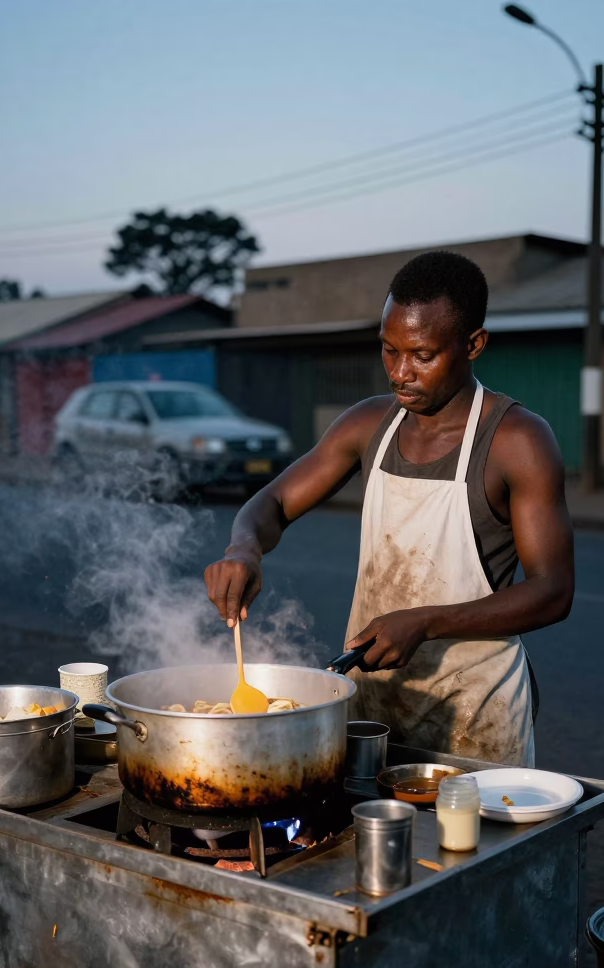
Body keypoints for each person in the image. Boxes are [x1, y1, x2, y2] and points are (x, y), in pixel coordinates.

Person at [204, 250, 574, 765]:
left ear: (473, 345)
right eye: (388, 350)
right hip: (371, 710)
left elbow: (553, 593)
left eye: (422, 355)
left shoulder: (517, 440)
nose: (400, 373)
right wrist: (243, 548)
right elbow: (273, 502)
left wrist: (425, 622)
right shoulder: (368, 424)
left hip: (476, 717)